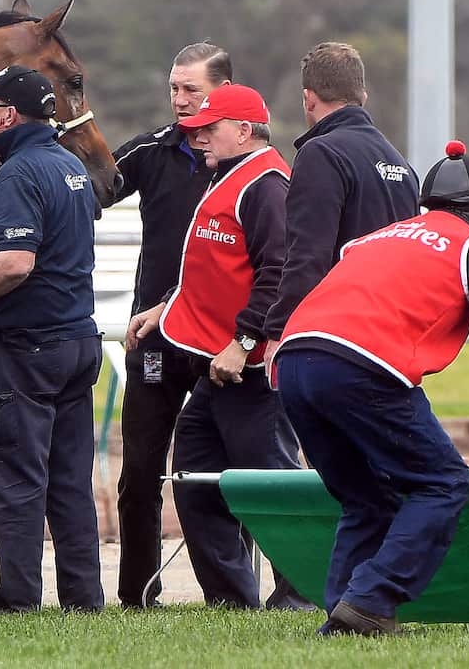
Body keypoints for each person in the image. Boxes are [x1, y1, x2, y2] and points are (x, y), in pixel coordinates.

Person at [271, 141, 469, 636]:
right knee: (443, 481)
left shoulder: (376, 238)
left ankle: (345, 614)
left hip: (294, 362)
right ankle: (371, 599)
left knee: (367, 498)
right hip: (359, 364)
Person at [125, 84, 310, 611]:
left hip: (247, 372)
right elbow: (209, 268)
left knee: (273, 489)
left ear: (243, 131)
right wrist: (166, 307)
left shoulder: (267, 185)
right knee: (194, 481)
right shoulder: (225, 177)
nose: (198, 137)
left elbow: (278, 272)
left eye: (209, 129)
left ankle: (297, 597)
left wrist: (244, 341)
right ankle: (231, 600)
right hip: (213, 369)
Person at [0, 65, 103, 614]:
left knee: (19, 477)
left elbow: (13, 262)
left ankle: (18, 598)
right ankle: (82, 596)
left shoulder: (17, 174)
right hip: (77, 339)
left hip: (27, 348)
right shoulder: (69, 166)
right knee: (70, 481)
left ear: (7, 115)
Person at [109, 43, 232, 608]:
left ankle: (236, 596)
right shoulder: (150, 152)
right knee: (138, 475)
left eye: (193, 91)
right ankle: (137, 596)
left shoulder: (248, 165)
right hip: (154, 339)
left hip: (223, 343)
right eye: (175, 89)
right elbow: (83, 193)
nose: (180, 101)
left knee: (231, 475)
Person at [264, 42, 420, 362]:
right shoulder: (402, 165)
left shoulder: (321, 154)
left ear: (308, 99)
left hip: (336, 340)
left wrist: (281, 332)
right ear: (363, 97)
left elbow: (307, 256)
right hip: (392, 339)